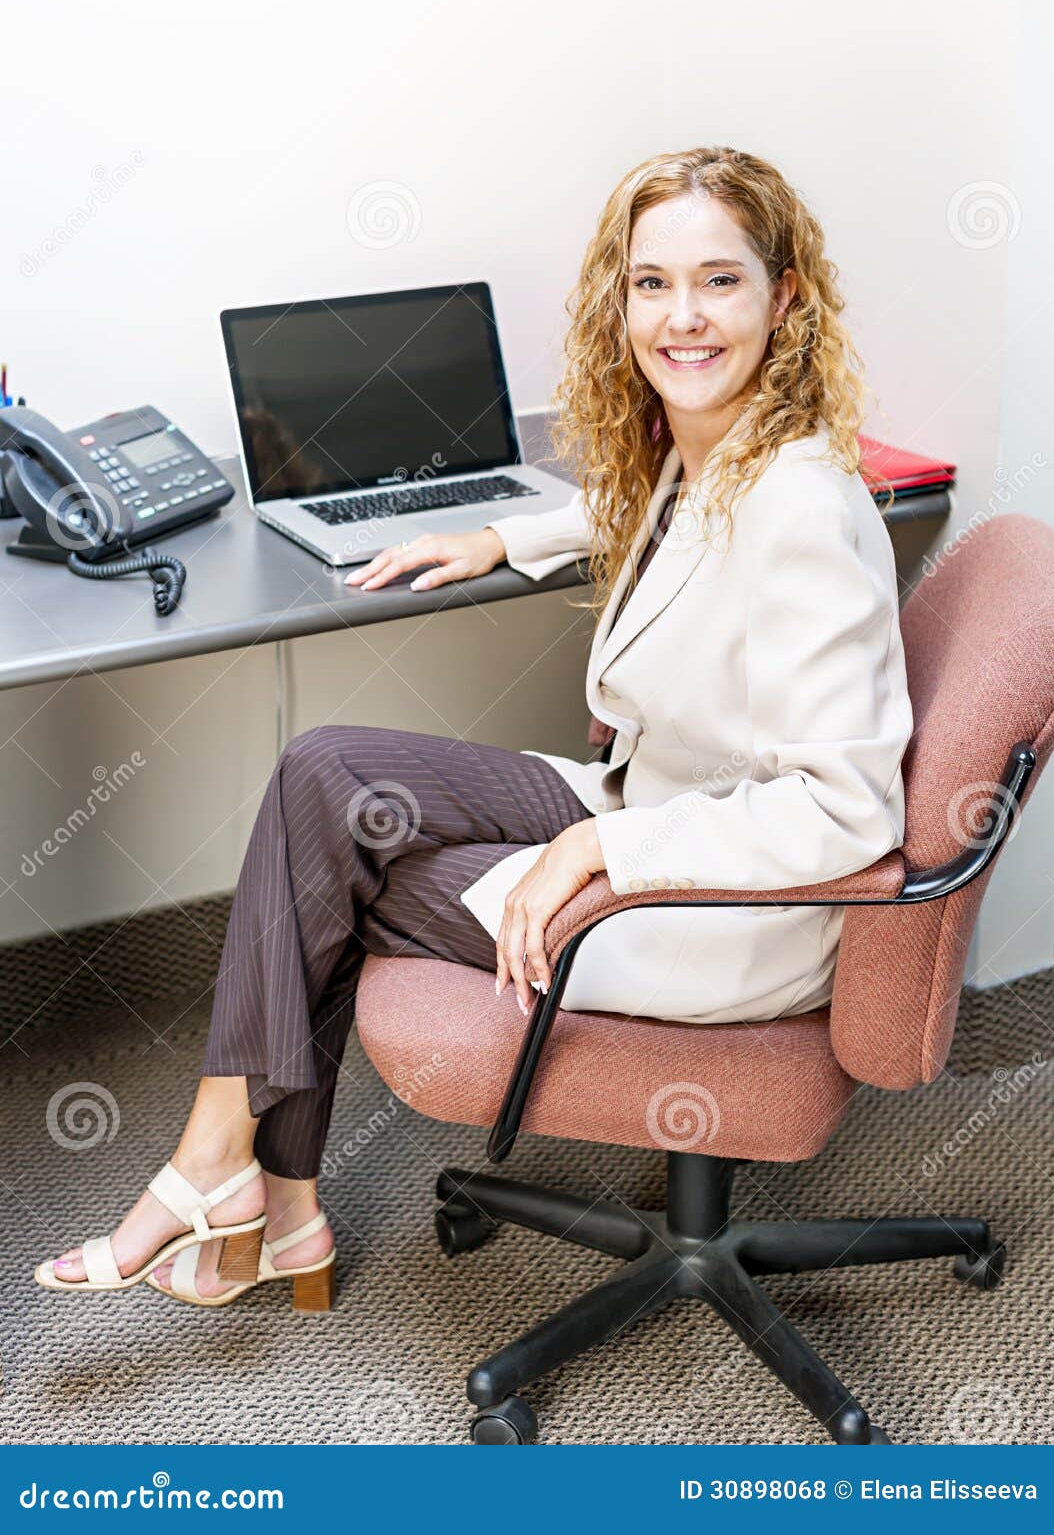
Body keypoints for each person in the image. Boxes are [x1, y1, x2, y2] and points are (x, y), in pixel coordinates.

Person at [34, 145, 913, 1305]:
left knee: (328, 871)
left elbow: (848, 810)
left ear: (783, 296)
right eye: (651, 284)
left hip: (723, 901)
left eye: (719, 281)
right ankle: (271, 1195)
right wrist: (507, 537)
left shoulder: (797, 500)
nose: (680, 317)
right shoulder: (719, 445)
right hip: (651, 802)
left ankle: (230, 1176)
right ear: (620, 298)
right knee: (327, 774)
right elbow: (666, 531)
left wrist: (596, 846)